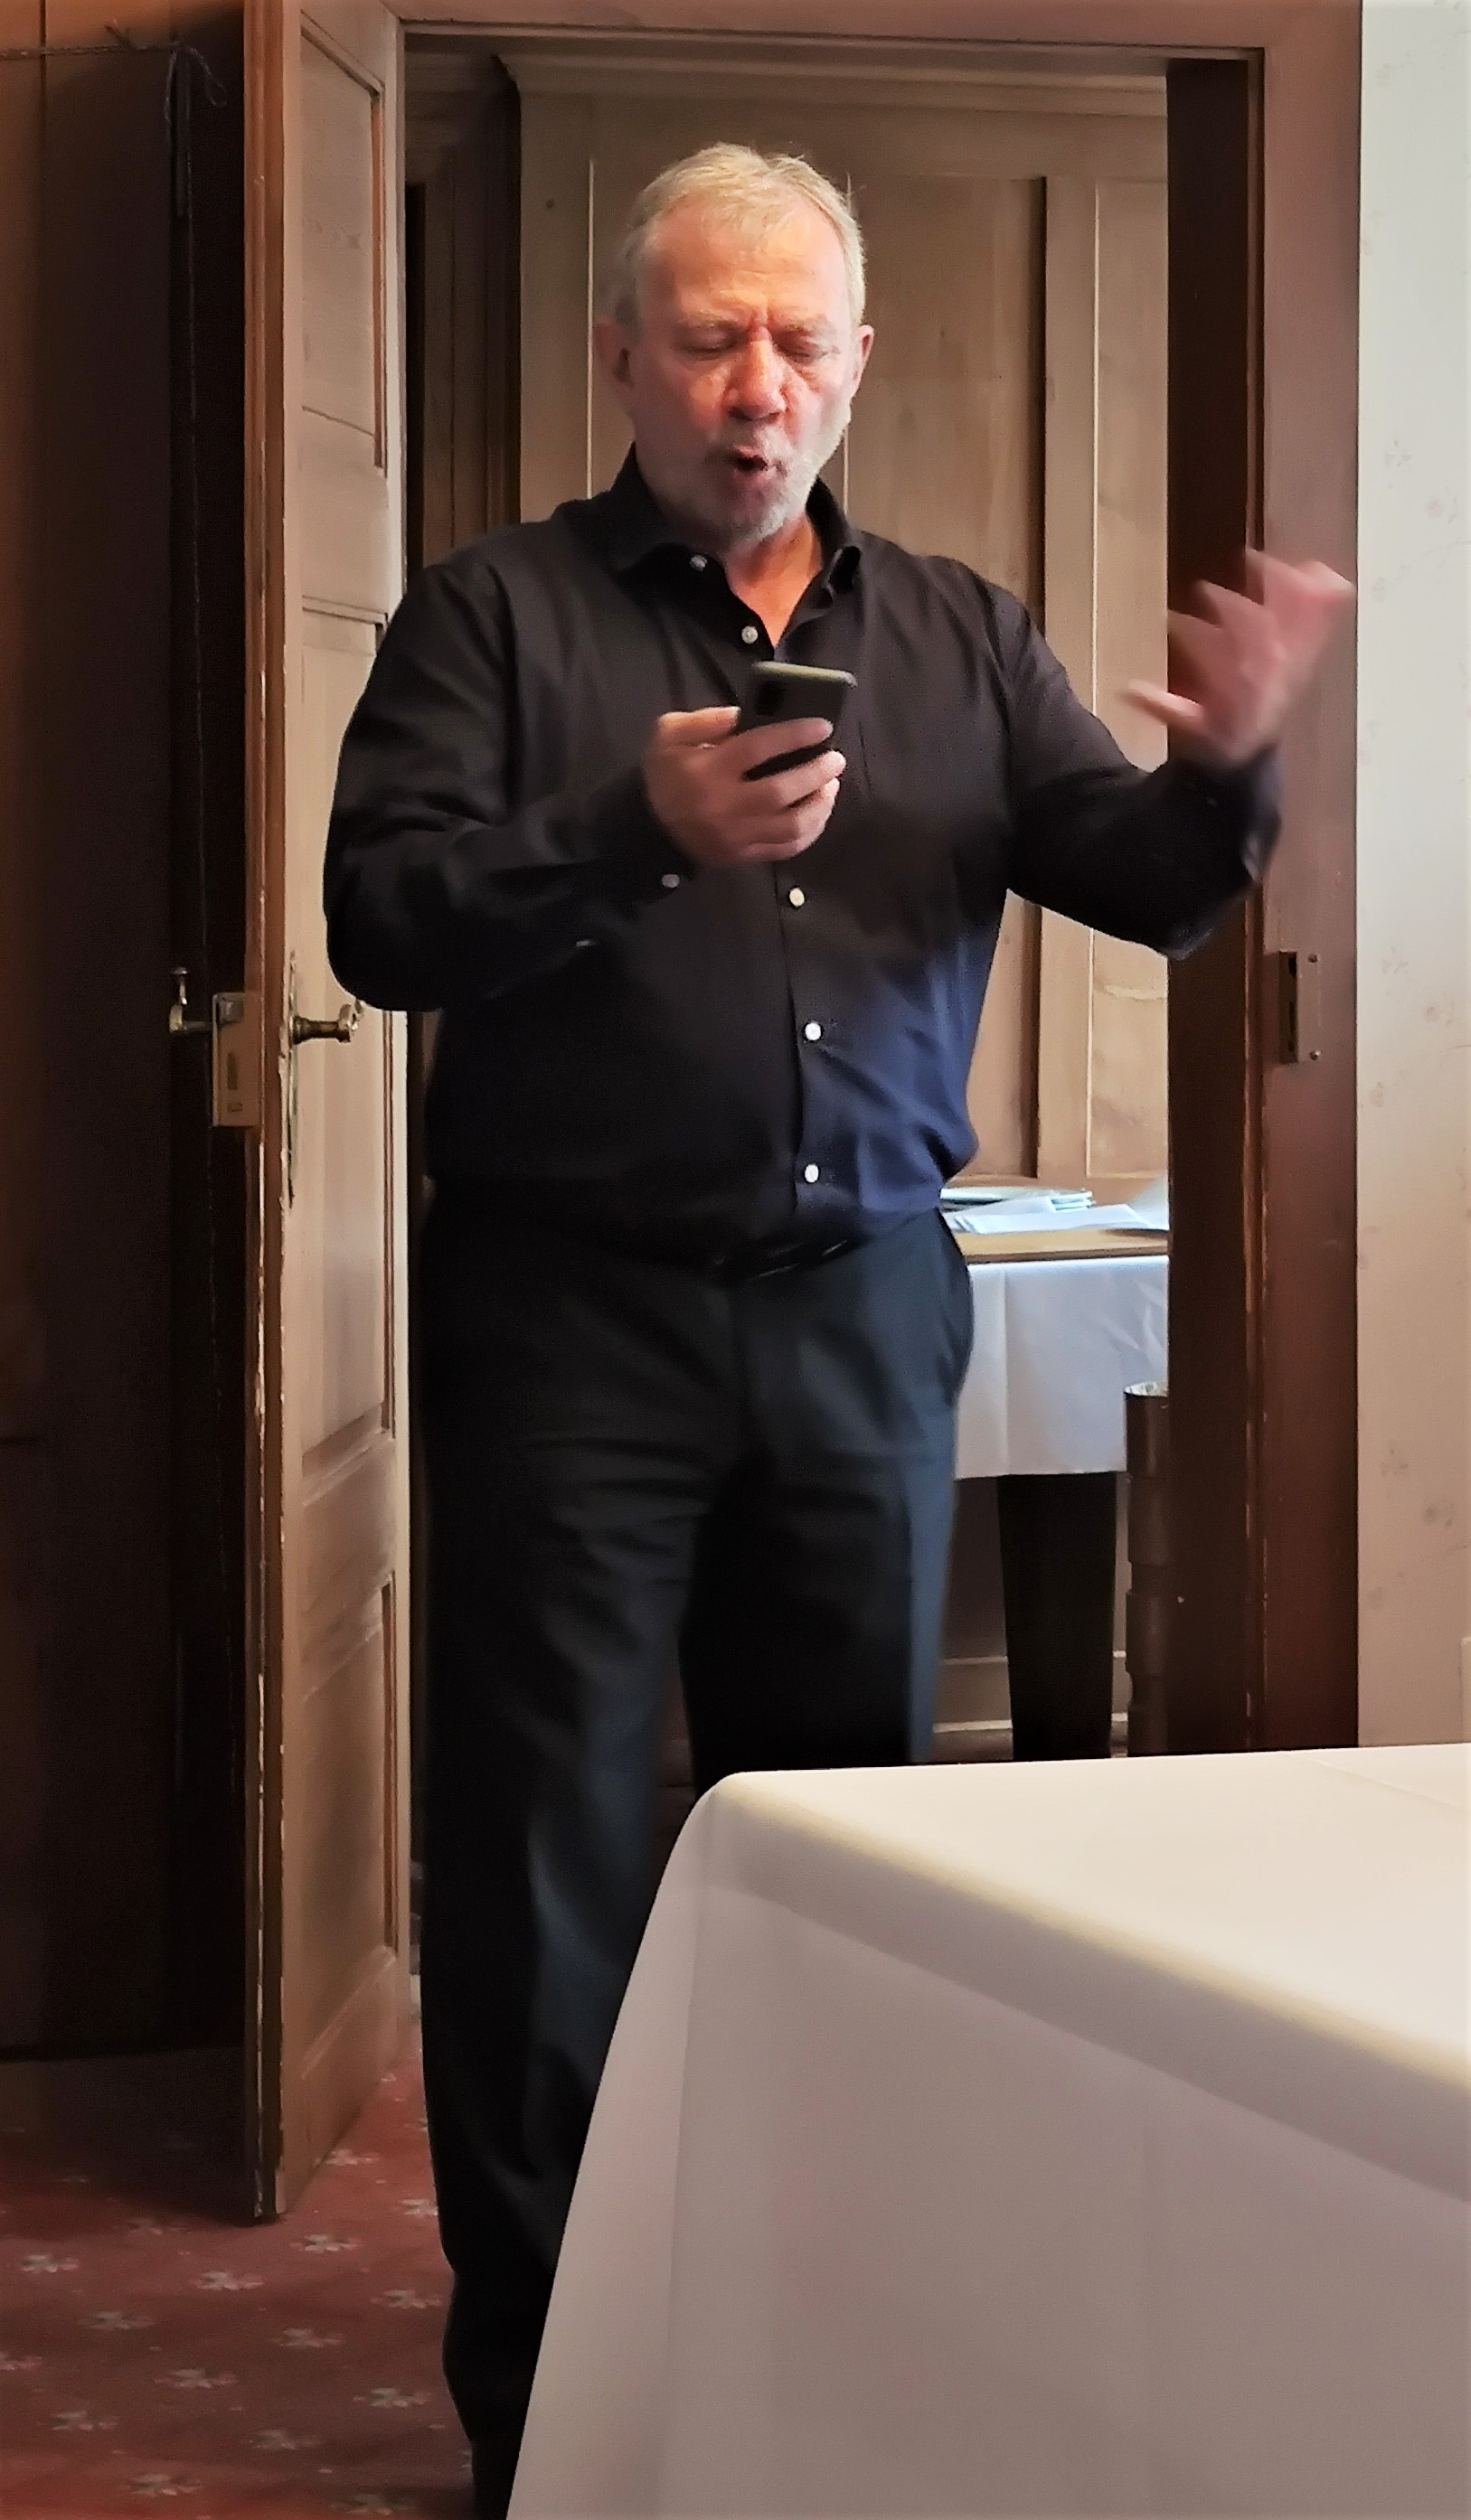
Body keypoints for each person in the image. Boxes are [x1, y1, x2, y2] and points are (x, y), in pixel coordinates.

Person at [323, 144, 1353, 2515]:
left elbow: (1145, 888)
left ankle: (826, 2384)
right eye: (708, 338)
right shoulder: (489, 619)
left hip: (861, 1320)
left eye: (797, 341)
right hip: (566, 1328)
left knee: (850, 1862)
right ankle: (550, 2429)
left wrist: (1228, 765)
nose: (755, 385)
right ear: (622, 358)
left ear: (859, 362)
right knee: (546, 1879)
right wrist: (630, 830)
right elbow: (380, 924)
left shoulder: (963, 635)